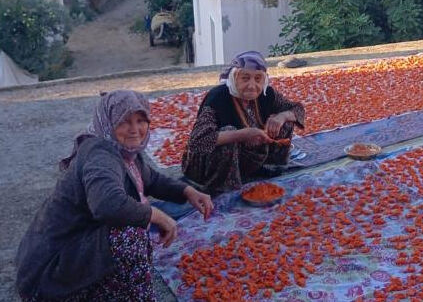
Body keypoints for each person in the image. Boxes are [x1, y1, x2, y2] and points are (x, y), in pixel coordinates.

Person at [16, 90, 213, 301]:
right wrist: (155, 215)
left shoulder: (124, 152)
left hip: (76, 253)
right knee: (131, 233)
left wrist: (187, 191)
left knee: (134, 219)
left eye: (141, 120)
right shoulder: (100, 154)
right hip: (51, 272)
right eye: (124, 121)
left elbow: (151, 180)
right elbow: (107, 204)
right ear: (108, 122)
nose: (135, 129)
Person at [181, 51, 306, 193]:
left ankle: (270, 167)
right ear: (234, 78)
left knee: (285, 120)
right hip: (207, 166)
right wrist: (241, 135)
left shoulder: (267, 94)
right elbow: (197, 141)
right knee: (228, 133)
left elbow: (298, 110)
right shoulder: (217, 98)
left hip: (247, 158)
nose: (252, 86)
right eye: (245, 78)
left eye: (258, 79)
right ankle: (222, 187)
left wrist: (281, 117)